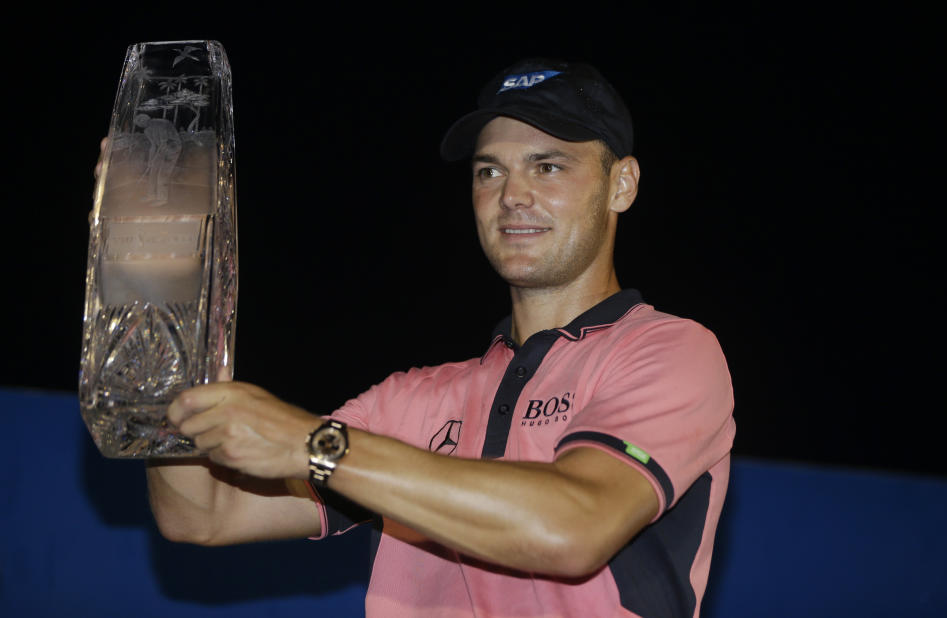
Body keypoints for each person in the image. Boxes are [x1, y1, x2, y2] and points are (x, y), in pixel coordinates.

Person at [147, 58, 736, 618]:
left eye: (548, 165)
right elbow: (201, 514)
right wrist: (161, 296)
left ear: (622, 185)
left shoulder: (672, 352)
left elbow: (572, 526)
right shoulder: (411, 401)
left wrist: (318, 444)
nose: (513, 194)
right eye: (490, 170)